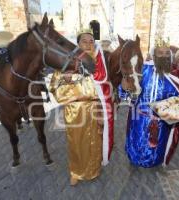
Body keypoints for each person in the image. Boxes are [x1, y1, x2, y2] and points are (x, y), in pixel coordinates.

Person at [50, 28, 114, 185]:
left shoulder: (100, 66)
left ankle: (94, 169)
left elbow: (106, 88)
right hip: (75, 111)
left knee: (96, 141)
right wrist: (67, 80)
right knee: (76, 143)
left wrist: (103, 108)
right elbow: (56, 89)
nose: (88, 44)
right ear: (77, 44)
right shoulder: (66, 63)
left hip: (95, 109)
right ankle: (76, 172)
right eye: (84, 41)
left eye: (91, 41)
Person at [120, 38, 179, 168]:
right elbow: (126, 91)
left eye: (167, 53)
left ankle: (155, 161)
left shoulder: (175, 76)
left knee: (157, 146)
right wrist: (124, 87)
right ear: (154, 54)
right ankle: (134, 159)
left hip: (161, 122)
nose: (164, 56)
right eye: (160, 52)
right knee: (136, 141)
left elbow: (178, 100)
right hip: (139, 119)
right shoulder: (143, 70)